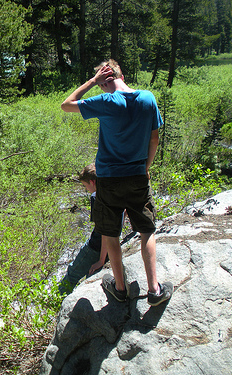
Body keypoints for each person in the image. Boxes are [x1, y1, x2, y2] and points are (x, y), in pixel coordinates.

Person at [61, 59, 173, 306]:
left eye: (100, 82)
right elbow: (154, 140)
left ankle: (120, 289)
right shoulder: (147, 99)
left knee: (111, 232)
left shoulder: (106, 101)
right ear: (121, 75)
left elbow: (66, 105)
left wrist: (91, 81)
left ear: (105, 79)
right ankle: (154, 289)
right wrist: (145, 167)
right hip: (136, 176)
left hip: (109, 179)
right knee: (146, 229)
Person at [59, 163, 107, 295]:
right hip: (111, 246)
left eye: (86, 186)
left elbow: (104, 231)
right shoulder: (113, 191)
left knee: (71, 275)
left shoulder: (96, 197)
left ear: (92, 182)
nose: (87, 190)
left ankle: (54, 305)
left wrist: (101, 260)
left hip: (95, 247)